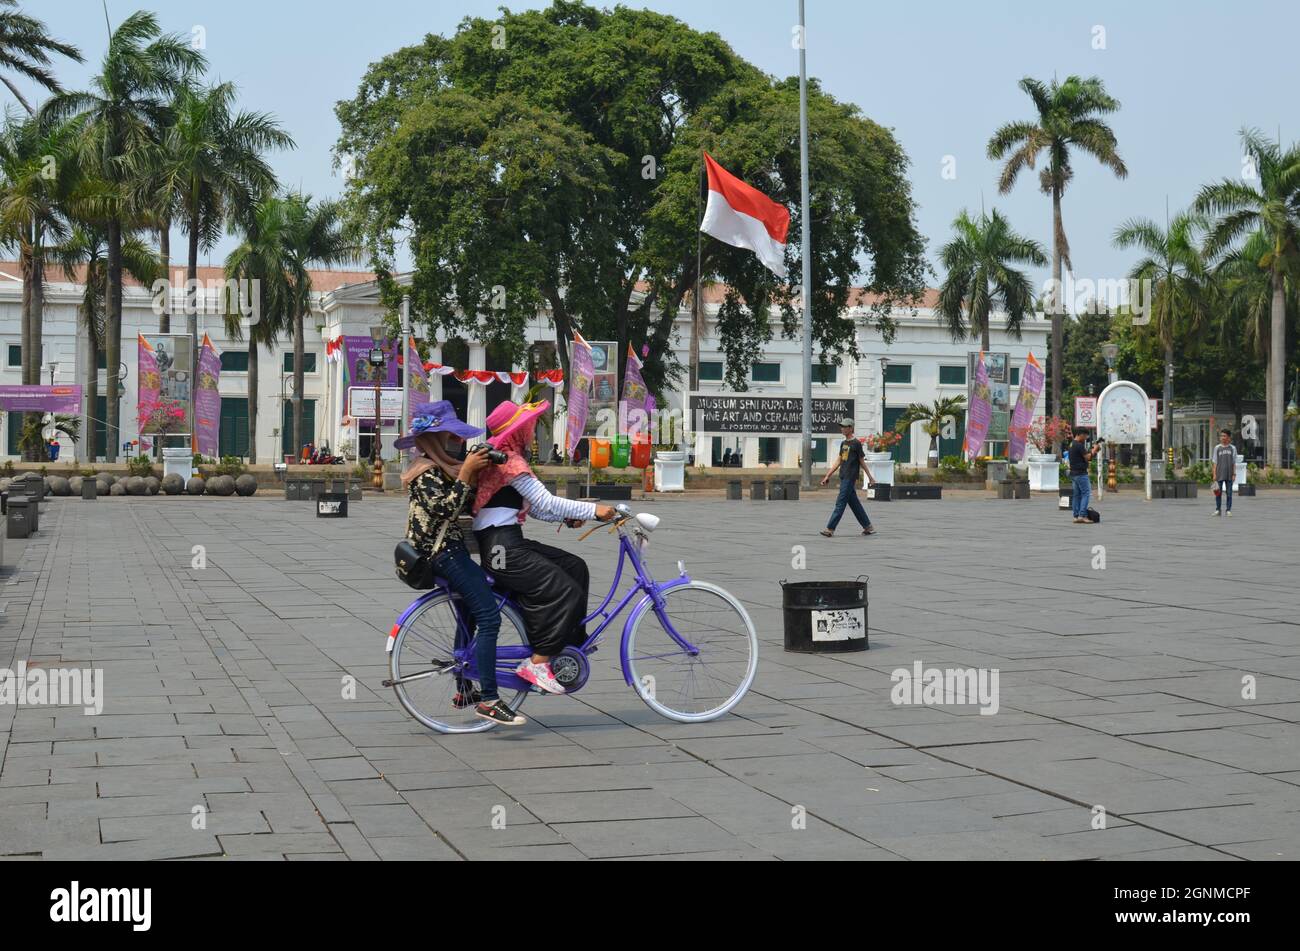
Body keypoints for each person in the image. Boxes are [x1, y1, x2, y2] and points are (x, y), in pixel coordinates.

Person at [471, 400, 616, 694]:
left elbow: (537, 509)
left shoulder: (506, 460)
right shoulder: (509, 461)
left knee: (575, 567)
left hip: (507, 542)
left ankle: (566, 645)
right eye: (528, 426)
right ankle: (538, 660)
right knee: (566, 590)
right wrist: (594, 510)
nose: (532, 431)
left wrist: (568, 516)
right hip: (502, 550)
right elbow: (545, 501)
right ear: (516, 430)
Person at [398, 400, 524, 726]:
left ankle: (463, 686)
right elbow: (447, 509)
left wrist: (485, 472)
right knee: (489, 617)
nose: (457, 443)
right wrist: (467, 471)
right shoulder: (423, 473)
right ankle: (490, 700)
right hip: (441, 555)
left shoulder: (442, 468)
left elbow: (470, 501)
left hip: (451, 552)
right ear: (433, 440)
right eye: (451, 437)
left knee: (469, 612)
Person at [819, 418, 876, 537]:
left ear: (851, 428)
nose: (842, 428)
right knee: (854, 504)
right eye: (842, 426)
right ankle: (868, 527)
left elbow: (861, 461)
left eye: (845, 427)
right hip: (844, 476)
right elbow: (839, 460)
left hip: (850, 477)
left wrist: (870, 477)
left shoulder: (856, 444)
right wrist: (827, 475)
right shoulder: (844, 443)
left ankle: (830, 528)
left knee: (840, 503)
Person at [1068, 430, 1101, 523]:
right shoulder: (1079, 445)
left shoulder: (1072, 444)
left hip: (1074, 473)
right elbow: (1088, 457)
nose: (1086, 437)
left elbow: (1084, 457)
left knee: (1076, 495)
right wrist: (1095, 450)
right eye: (1085, 435)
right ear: (1080, 434)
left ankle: (1076, 515)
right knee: (1086, 494)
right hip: (1081, 473)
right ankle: (1082, 515)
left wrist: (1093, 451)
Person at [1211, 428, 1236, 517]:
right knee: (1218, 493)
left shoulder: (1233, 448)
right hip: (1219, 474)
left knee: (1229, 493)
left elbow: (1233, 462)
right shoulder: (1217, 448)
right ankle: (1218, 510)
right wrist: (1214, 474)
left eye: (1224, 436)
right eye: (1221, 436)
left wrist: (1234, 474)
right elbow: (1215, 462)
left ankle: (1228, 510)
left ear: (1229, 437)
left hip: (1229, 475)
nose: (1222, 437)